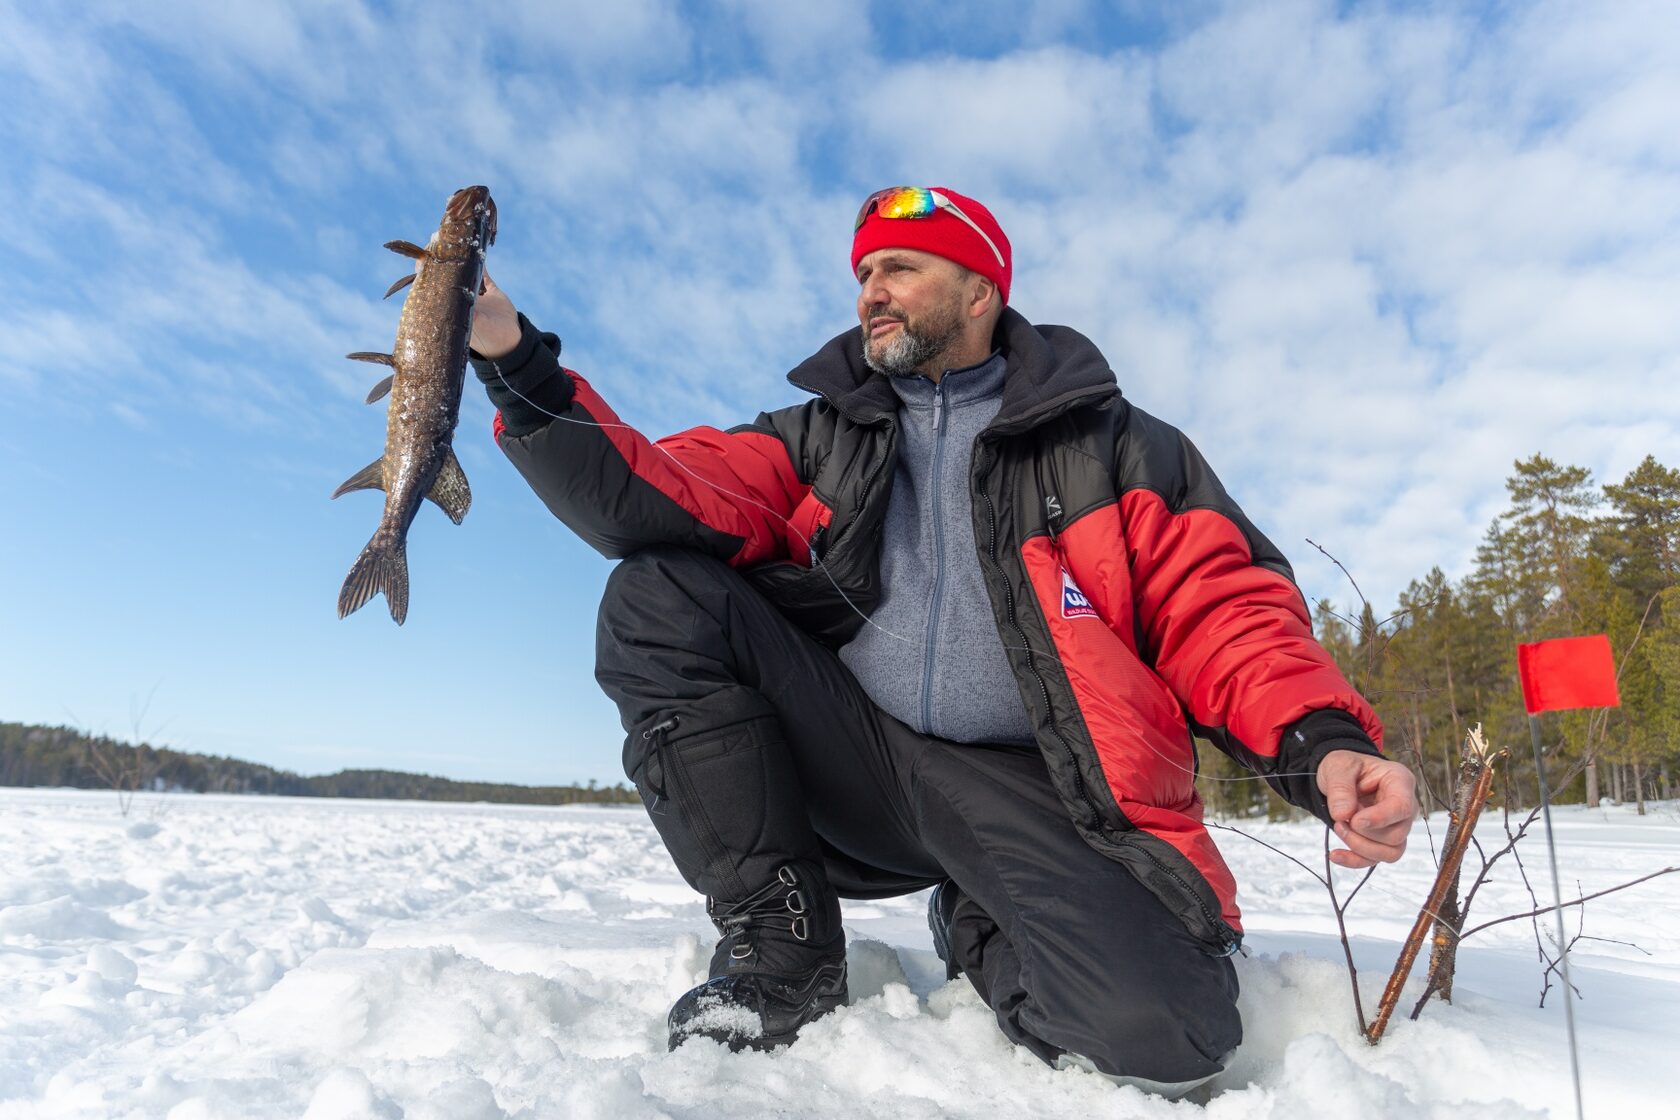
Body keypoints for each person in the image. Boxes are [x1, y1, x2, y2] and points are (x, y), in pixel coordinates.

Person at [466, 186, 1417, 1097]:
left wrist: (1322, 743)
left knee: (1165, 1040)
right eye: (864, 272)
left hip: (1037, 789)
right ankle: (782, 945)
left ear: (980, 290)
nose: (870, 291)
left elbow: (1224, 610)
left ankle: (976, 918)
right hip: (857, 759)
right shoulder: (815, 437)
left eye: (900, 269)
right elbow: (652, 489)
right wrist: (514, 361)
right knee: (658, 590)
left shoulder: (1117, 448)